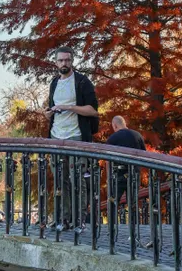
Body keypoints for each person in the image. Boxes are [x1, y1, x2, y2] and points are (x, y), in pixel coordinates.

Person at [44, 47, 99, 229]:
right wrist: (48, 113)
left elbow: (92, 110)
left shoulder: (82, 82)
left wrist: (70, 107)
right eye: (60, 61)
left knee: (78, 180)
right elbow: (53, 108)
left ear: (72, 61)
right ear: (56, 63)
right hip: (56, 136)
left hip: (76, 136)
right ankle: (63, 218)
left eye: (67, 60)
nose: (64, 64)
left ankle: (80, 220)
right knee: (61, 180)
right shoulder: (54, 83)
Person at [106, 115, 147, 211]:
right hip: (134, 173)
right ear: (125, 124)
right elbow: (144, 155)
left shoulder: (113, 138)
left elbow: (107, 159)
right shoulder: (137, 135)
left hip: (118, 174)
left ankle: (112, 224)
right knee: (133, 202)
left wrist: (109, 176)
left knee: (113, 200)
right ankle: (134, 224)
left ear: (115, 126)